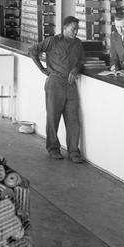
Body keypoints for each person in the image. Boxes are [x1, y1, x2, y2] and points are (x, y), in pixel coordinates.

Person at [29, 16, 85, 163]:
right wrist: (42, 69)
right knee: (53, 118)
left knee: (73, 119)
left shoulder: (78, 43)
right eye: (73, 29)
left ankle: (74, 151)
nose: (76, 32)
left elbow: (81, 61)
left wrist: (75, 69)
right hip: (55, 83)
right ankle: (53, 148)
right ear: (65, 28)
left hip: (71, 84)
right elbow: (33, 50)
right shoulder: (53, 41)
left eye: (77, 29)